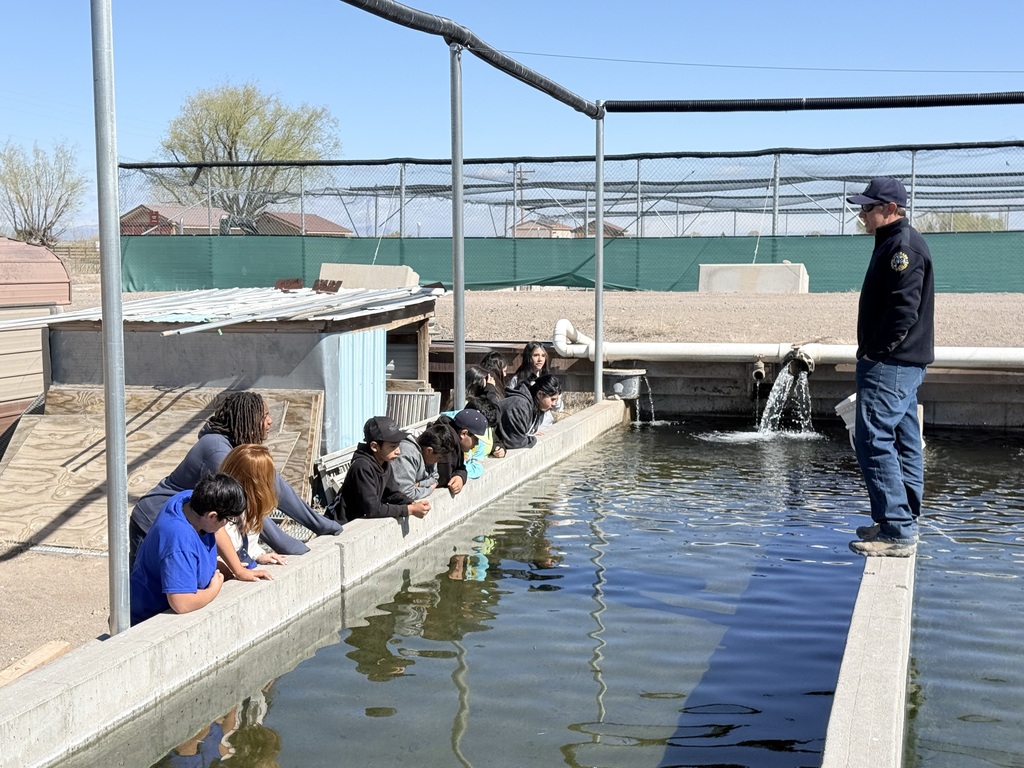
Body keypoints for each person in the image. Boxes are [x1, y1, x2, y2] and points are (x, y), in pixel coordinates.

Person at [129, 391, 341, 567]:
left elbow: (278, 488)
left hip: (190, 521)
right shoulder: (217, 451)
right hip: (153, 519)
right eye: (264, 416)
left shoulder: (241, 446)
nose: (270, 421)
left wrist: (323, 525)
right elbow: (248, 509)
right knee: (148, 587)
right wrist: (294, 549)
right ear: (246, 419)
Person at [845, 177, 934, 558]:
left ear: (891, 210)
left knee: (873, 439)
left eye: (869, 207)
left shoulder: (902, 247)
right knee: (903, 439)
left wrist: (874, 354)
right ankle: (902, 519)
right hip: (902, 363)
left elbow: (903, 311)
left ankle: (896, 530)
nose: (861, 214)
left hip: (891, 364)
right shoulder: (896, 242)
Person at [129, 473, 246, 625]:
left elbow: (217, 531)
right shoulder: (179, 542)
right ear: (212, 516)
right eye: (228, 519)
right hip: (149, 618)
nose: (226, 524)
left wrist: (239, 570)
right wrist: (214, 589)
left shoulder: (189, 501)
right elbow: (181, 603)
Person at [325, 416, 431, 523]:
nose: (398, 451)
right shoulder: (362, 467)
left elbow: (391, 494)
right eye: (393, 446)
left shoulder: (384, 462)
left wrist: (410, 503)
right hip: (339, 523)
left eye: (398, 445)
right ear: (375, 447)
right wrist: (409, 510)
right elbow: (373, 509)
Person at [216, 444, 286, 580]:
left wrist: (258, 555)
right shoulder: (219, 509)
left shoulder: (251, 507)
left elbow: (248, 542)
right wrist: (234, 567)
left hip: (242, 566)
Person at [389, 424, 454, 501]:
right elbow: (406, 493)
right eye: (439, 458)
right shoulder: (407, 454)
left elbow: (435, 477)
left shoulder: (432, 452)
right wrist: (429, 489)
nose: (439, 461)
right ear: (429, 450)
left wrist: (420, 484)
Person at [498, 374, 561, 450]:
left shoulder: (533, 405)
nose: (554, 404)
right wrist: (532, 439)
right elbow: (515, 442)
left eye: (556, 400)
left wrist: (529, 433)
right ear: (540, 394)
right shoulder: (519, 405)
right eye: (552, 399)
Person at [432, 408, 488, 493]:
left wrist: (460, 476)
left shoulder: (457, 446)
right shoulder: (445, 446)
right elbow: (443, 478)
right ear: (464, 434)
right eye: (475, 439)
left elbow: (460, 467)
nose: (476, 444)